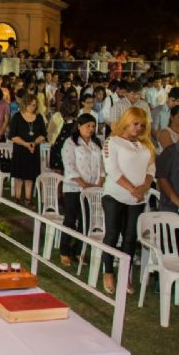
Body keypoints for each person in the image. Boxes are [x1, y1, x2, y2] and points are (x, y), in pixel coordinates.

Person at [101, 107, 155, 295]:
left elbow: (151, 169)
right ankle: (108, 272)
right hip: (114, 196)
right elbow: (112, 170)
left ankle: (125, 275)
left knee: (130, 238)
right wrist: (133, 189)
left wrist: (143, 188)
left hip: (137, 199)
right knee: (112, 234)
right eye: (135, 124)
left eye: (142, 125)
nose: (138, 128)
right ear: (126, 122)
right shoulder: (112, 142)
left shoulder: (146, 145)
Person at [59, 113, 104, 266]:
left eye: (93, 126)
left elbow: (101, 165)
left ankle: (78, 251)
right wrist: (83, 184)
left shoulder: (96, 143)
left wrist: (99, 182)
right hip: (74, 187)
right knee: (70, 219)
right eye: (87, 126)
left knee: (87, 221)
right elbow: (69, 166)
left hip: (92, 189)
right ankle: (64, 251)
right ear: (79, 126)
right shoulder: (70, 143)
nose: (90, 129)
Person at [9, 94, 47, 205]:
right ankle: (17, 197)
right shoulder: (17, 117)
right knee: (19, 176)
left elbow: (43, 134)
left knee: (30, 176)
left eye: (34, 105)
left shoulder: (39, 117)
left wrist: (34, 143)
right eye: (30, 105)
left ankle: (28, 199)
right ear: (24, 104)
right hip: (20, 149)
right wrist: (25, 144)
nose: (32, 107)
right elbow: (12, 135)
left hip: (33, 150)